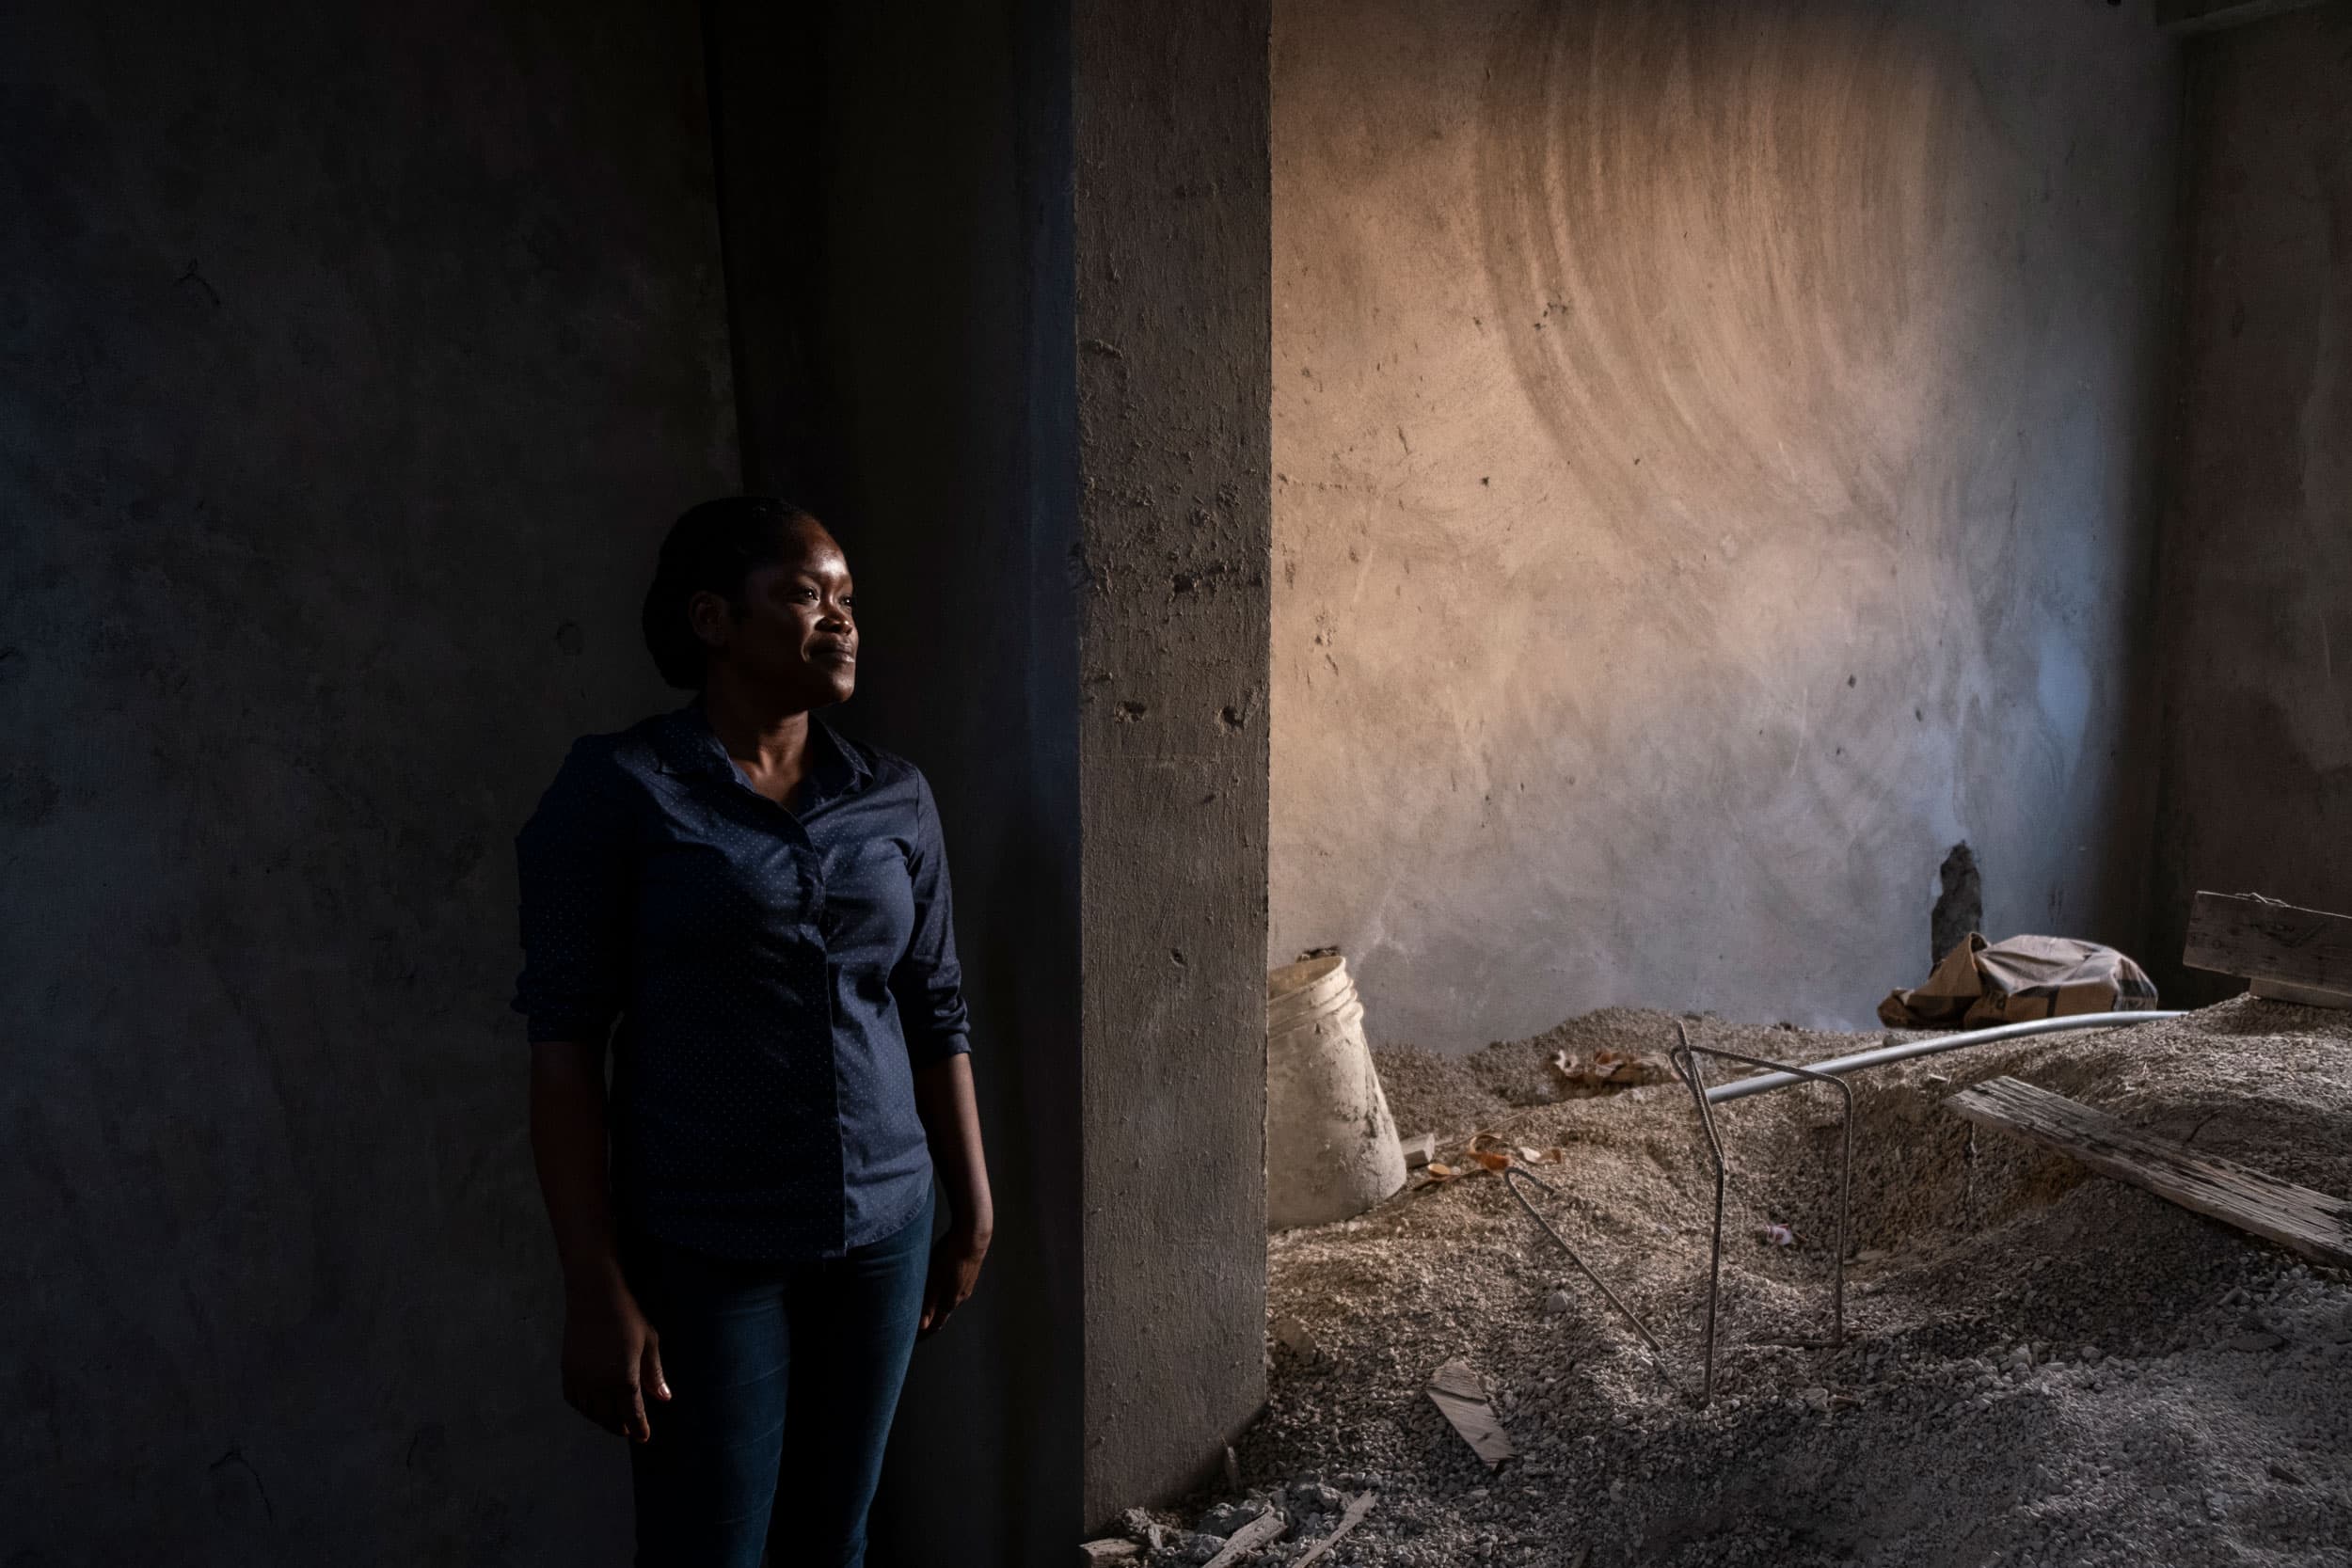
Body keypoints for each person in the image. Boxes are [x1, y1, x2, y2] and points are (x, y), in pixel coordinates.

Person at [513, 496, 992, 1567]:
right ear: (714, 619)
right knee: (708, 1547)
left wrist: (975, 1204)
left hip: (884, 1224)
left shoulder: (894, 798)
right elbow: (563, 1052)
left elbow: (934, 1001)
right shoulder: (621, 790)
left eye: (848, 598)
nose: (841, 619)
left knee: (835, 1536)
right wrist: (594, 1285)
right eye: (805, 593)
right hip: (707, 1245)